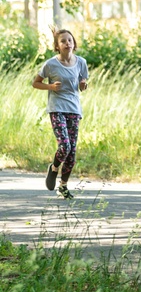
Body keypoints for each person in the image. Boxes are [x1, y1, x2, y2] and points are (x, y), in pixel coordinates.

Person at [32, 27, 89, 199]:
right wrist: (49, 87)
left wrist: (83, 84)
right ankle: (54, 168)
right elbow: (35, 83)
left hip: (74, 109)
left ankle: (63, 186)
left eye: (70, 40)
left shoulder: (81, 62)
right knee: (65, 145)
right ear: (57, 46)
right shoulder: (51, 64)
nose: (67, 43)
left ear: (74, 44)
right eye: (63, 41)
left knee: (72, 153)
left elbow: (83, 81)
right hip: (57, 108)